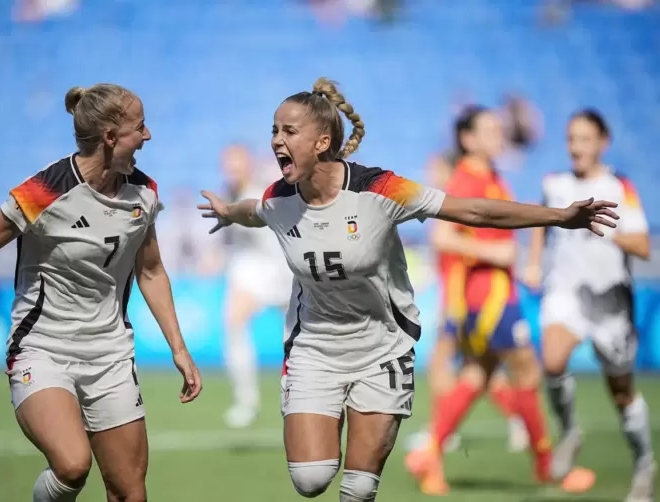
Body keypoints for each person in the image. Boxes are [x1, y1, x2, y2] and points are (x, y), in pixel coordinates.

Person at [197, 77, 617, 501]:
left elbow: (471, 209)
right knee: (310, 479)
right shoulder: (278, 198)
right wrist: (228, 212)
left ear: (322, 142)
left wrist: (559, 217)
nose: (276, 140)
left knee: (357, 490)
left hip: (382, 351)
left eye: (288, 131)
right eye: (274, 130)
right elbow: (254, 211)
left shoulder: (380, 189)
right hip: (314, 352)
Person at [0, 83, 202, 502]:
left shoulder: (144, 192)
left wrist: (178, 348)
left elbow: (152, 270)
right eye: (140, 127)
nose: (148, 136)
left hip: (111, 357)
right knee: (72, 465)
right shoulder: (45, 190)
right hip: (42, 350)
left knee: (129, 493)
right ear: (109, 137)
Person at [524, 109, 655, 502]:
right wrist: (533, 262)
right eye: (571, 139)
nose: (576, 147)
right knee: (551, 362)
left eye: (584, 138)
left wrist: (599, 226)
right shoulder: (555, 184)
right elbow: (539, 225)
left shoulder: (619, 187)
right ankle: (569, 432)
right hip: (566, 293)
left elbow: (643, 245)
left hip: (610, 304)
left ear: (602, 142)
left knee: (622, 392)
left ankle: (644, 465)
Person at [407, 107, 530, 457]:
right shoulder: (475, 189)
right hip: (461, 292)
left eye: (435, 170)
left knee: (462, 365)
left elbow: (444, 241)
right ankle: (518, 424)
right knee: (483, 371)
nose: (430, 175)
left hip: (466, 297)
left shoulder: (462, 191)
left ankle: (439, 436)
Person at [219, 144, 292, 428]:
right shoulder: (228, 194)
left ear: (249, 164)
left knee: (294, 338)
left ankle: (296, 393)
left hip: (283, 267)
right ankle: (246, 400)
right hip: (251, 268)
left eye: (236, 163)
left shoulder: (266, 186)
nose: (231, 170)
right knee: (233, 321)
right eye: (227, 165)